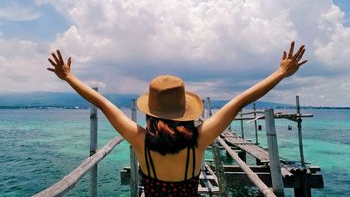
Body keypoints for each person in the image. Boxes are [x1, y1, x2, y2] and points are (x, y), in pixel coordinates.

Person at [47, 41, 307, 197]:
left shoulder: (140, 141)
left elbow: (102, 103)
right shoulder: (200, 139)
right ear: (186, 110)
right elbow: (240, 101)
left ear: (151, 109)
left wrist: (69, 77)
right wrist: (280, 73)